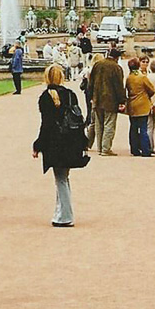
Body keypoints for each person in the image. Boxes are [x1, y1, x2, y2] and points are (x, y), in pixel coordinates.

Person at [32, 65, 90, 227]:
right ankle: (61, 212)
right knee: (63, 178)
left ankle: (65, 215)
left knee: (61, 179)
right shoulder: (70, 94)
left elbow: (47, 124)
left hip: (57, 142)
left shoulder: (46, 97)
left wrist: (38, 144)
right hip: (72, 140)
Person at [89, 48, 126, 156]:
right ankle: (106, 148)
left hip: (97, 98)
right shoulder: (116, 68)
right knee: (109, 124)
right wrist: (122, 100)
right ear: (117, 57)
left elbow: (91, 83)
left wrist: (91, 96)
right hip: (110, 100)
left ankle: (100, 148)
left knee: (99, 125)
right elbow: (119, 86)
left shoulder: (98, 64)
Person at [125, 56, 155, 157]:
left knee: (133, 128)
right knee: (143, 128)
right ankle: (146, 150)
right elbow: (151, 89)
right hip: (142, 104)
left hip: (132, 105)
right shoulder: (142, 77)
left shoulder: (129, 78)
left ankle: (134, 149)